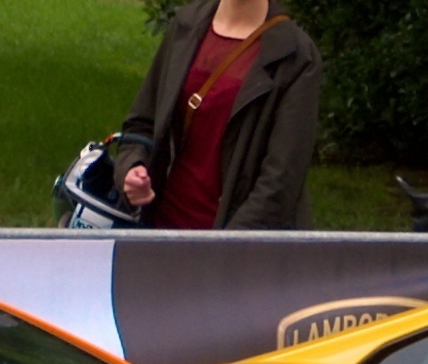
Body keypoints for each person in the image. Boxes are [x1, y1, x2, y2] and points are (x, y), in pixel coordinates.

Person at [114, 0, 325, 230]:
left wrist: (225, 249)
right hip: (161, 233)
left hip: (236, 250)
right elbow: (141, 125)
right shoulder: (186, 26)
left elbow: (280, 184)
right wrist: (131, 167)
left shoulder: (295, 56)